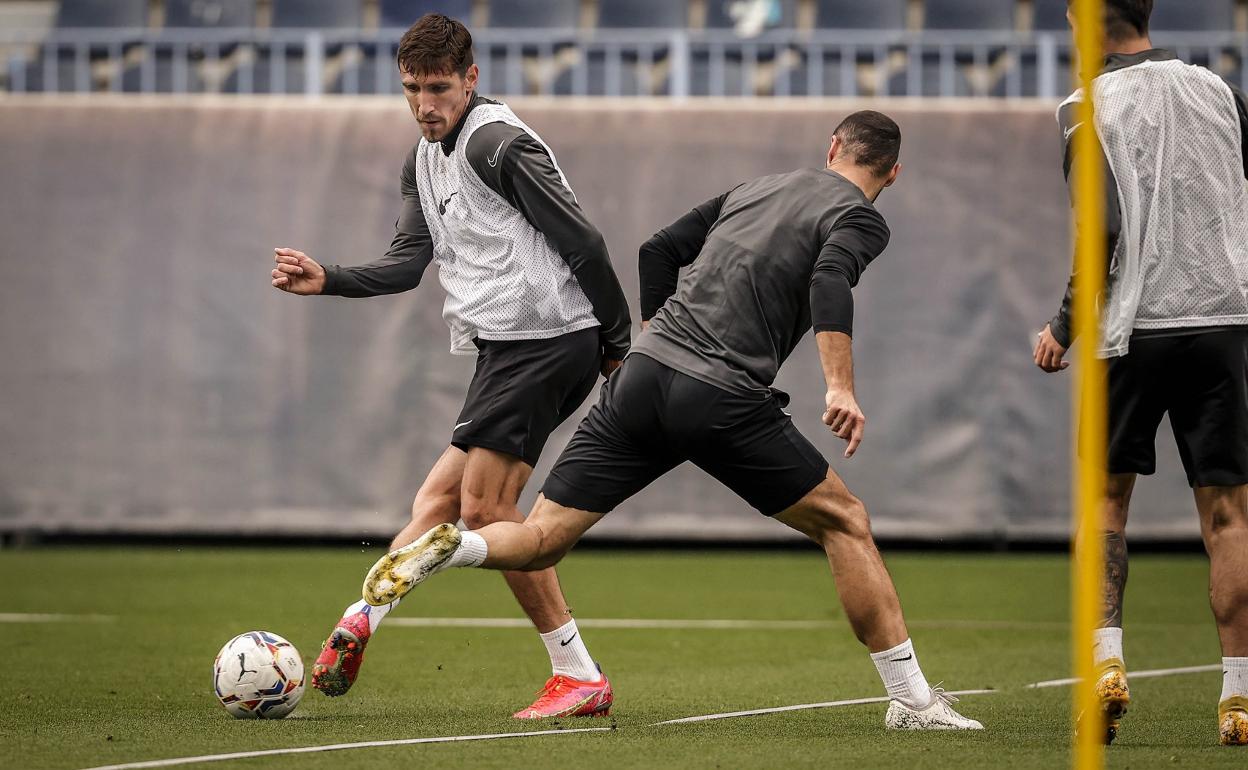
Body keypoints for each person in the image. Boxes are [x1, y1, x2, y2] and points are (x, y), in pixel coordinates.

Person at [361, 110, 984, 730]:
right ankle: (913, 703)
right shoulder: (858, 216)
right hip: (720, 395)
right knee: (845, 522)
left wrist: (656, 330)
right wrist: (840, 387)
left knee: (541, 538)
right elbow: (829, 279)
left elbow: (658, 247)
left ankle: (455, 548)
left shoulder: (756, 188)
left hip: (640, 377)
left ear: (832, 148)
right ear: (892, 172)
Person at [270, 13, 631, 719]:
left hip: (548, 342)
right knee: (435, 505)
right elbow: (409, 263)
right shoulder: (422, 156)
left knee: (485, 510)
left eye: (438, 87)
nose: (424, 104)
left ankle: (578, 674)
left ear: (470, 79)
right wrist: (331, 276)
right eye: (411, 88)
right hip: (509, 349)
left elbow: (585, 242)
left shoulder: (498, 145)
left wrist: (618, 347)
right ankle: (358, 620)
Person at [1033, 0, 1248, 747]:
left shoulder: (1082, 105)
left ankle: (1106, 668)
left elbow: (1104, 228)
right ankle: (1239, 697)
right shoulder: (1220, 90)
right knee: (1227, 515)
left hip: (1131, 331)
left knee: (1106, 503)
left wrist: (1064, 326)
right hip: (1223, 322)